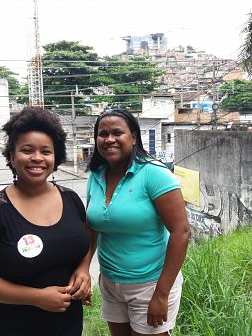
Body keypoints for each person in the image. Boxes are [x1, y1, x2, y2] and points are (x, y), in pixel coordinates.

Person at [0, 107, 93, 336]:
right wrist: (37, 298)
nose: (37, 158)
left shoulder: (71, 199)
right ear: (12, 157)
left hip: (68, 325)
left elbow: (82, 242)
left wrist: (84, 270)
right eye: (27, 150)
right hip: (13, 327)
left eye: (46, 151)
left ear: (56, 157)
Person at [86, 109, 190, 336]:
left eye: (117, 133)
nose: (109, 139)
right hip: (111, 283)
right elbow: (91, 228)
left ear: (133, 137)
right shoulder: (96, 175)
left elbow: (181, 232)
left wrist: (161, 294)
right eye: (103, 134)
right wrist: (83, 269)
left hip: (150, 284)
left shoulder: (154, 173)